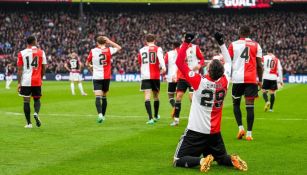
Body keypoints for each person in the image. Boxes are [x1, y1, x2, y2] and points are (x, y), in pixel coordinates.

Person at [173, 32, 247, 173]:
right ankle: (232, 159)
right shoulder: (225, 81)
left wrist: (186, 42)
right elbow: (230, 62)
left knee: (177, 160)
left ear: (208, 69)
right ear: (221, 71)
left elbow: (179, 62)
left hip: (196, 131)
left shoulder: (199, 81)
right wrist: (221, 43)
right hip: (214, 132)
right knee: (221, 158)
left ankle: (202, 160)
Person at [228, 26, 263, 141]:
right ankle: (249, 134)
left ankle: (240, 128)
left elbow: (228, 62)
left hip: (237, 79)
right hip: (251, 79)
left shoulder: (233, 44)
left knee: (236, 104)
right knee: (250, 107)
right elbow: (259, 65)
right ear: (249, 33)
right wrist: (261, 80)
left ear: (239, 33)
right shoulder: (256, 45)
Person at [170, 33, 205, 126]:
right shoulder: (180, 48)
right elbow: (176, 63)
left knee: (191, 98)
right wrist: (174, 74)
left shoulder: (195, 47)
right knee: (178, 97)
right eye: (184, 37)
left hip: (193, 76)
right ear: (183, 39)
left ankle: (196, 119)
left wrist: (199, 65)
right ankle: (176, 120)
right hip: (182, 76)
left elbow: (202, 59)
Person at [86, 36, 121, 123]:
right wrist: (110, 41)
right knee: (104, 97)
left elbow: (87, 63)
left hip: (97, 77)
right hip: (106, 77)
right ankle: (103, 116)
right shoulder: (109, 50)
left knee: (97, 97)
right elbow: (119, 47)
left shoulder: (93, 51)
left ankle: (100, 115)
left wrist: (91, 68)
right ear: (105, 42)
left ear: (97, 43)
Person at [17, 35, 47, 128]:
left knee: (26, 101)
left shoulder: (21, 53)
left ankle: (29, 123)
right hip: (36, 80)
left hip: (26, 81)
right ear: (34, 41)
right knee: (37, 99)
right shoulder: (41, 52)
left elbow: (19, 70)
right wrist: (40, 77)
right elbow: (44, 67)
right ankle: (36, 113)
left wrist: (19, 83)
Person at [138, 34, 166, 125]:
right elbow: (161, 59)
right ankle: (156, 115)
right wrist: (163, 68)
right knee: (156, 96)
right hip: (155, 76)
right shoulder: (158, 48)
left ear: (146, 41)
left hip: (145, 76)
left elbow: (140, 62)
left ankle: (150, 118)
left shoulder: (141, 50)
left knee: (147, 96)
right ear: (154, 40)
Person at [164, 42, 180, 111]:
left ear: (173, 46)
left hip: (171, 76)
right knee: (179, 96)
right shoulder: (184, 52)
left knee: (170, 96)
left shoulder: (168, 53)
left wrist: (164, 74)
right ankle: (177, 109)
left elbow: (163, 63)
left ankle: (175, 108)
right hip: (181, 76)